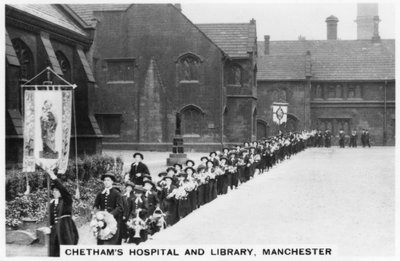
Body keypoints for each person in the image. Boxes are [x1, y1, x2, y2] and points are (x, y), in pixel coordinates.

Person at [47, 168, 79, 256]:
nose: (54, 192)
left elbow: (63, 189)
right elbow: (51, 218)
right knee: (54, 251)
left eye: (57, 190)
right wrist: (49, 227)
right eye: (53, 191)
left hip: (65, 228)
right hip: (54, 230)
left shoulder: (67, 200)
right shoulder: (52, 203)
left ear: (61, 192)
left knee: (65, 249)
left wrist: (53, 176)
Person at [93, 172, 124, 245]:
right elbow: (96, 206)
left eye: (108, 180)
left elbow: (120, 207)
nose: (106, 182)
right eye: (105, 180)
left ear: (112, 182)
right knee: (101, 239)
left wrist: (110, 215)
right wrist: (97, 214)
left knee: (113, 240)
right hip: (102, 220)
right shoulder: (100, 193)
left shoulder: (116, 193)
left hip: (113, 219)